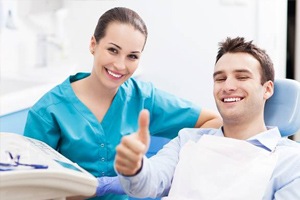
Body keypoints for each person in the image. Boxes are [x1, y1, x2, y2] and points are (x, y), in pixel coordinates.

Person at [23, 7, 222, 200]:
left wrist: (161, 167)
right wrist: (92, 189)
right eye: (112, 50)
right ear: (93, 44)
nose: (120, 65)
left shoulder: (142, 97)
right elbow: (30, 188)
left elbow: (213, 121)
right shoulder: (48, 111)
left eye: (132, 56)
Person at [115, 37, 300, 200]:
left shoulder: (291, 162)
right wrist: (135, 167)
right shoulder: (187, 140)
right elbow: (148, 182)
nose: (228, 86)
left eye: (242, 77)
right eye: (220, 79)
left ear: (267, 89)